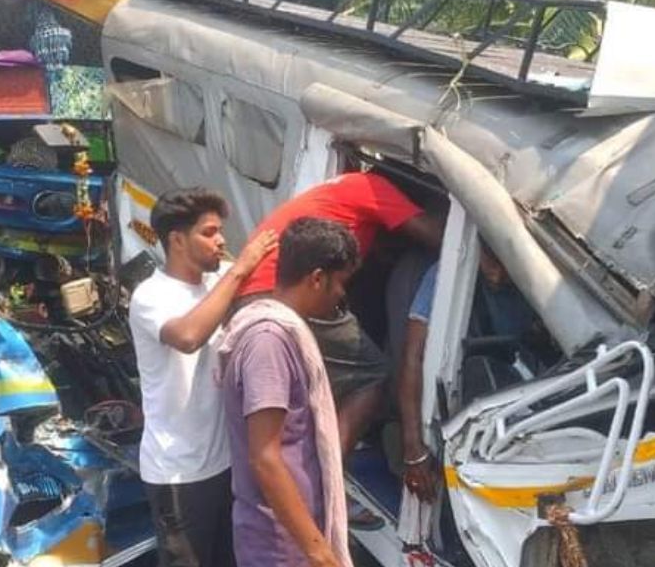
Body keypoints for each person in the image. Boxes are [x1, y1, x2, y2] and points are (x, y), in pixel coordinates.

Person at [236, 172, 442, 457]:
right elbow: (438, 236)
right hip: (281, 293)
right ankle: (330, 468)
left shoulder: (343, 186)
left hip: (254, 288)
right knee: (371, 374)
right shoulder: (375, 188)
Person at [128, 187, 278, 567]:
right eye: (209, 232)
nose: (222, 241)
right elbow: (188, 337)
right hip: (179, 472)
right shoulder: (151, 296)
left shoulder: (220, 278)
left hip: (226, 463)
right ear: (177, 240)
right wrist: (241, 268)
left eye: (220, 231)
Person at [219, 218, 361, 567]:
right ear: (316, 278)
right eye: (340, 283)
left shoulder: (279, 333)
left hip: (289, 538)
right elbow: (265, 458)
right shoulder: (269, 343)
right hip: (280, 546)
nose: (342, 295)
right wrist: (318, 551)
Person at [396, 245, 538, 502]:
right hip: (463, 411)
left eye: (506, 260)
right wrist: (413, 447)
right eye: (491, 259)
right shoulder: (448, 274)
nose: (498, 271)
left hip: (521, 404)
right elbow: (413, 357)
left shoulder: (536, 279)